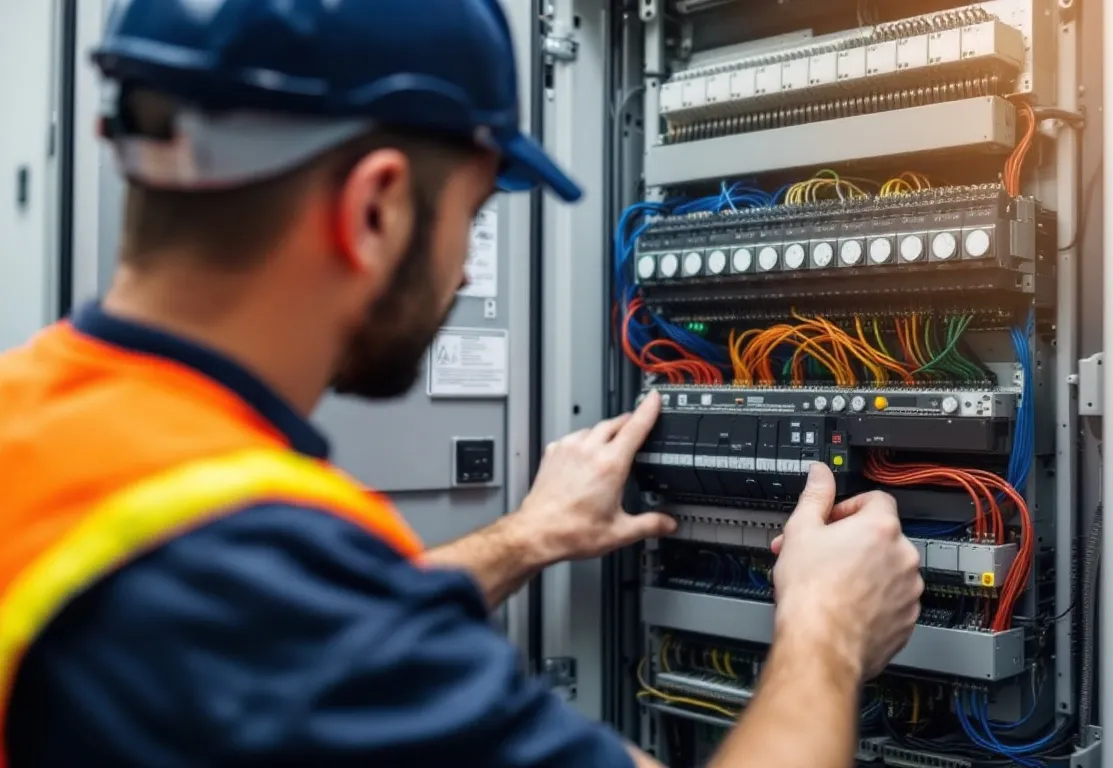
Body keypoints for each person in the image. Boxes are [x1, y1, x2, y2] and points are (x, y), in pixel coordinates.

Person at [0, 0, 925, 766]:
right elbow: (306, 625)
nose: (461, 272)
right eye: (474, 219)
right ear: (376, 207)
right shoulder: (245, 558)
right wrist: (829, 627)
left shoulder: (45, 420)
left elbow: (322, 633)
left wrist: (528, 536)